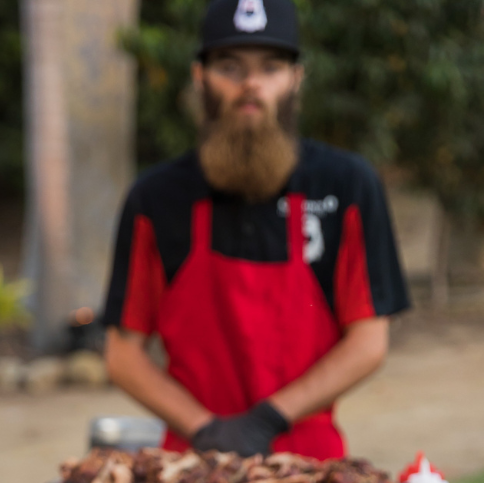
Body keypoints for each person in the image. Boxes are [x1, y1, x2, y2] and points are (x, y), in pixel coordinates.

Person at [102, 0, 410, 458]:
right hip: (189, 463)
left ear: (295, 78)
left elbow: (369, 341)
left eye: (270, 67)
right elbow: (122, 354)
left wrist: (267, 419)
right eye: (230, 66)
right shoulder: (155, 199)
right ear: (199, 76)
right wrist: (205, 429)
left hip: (310, 464)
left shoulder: (346, 186)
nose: (251, 85)